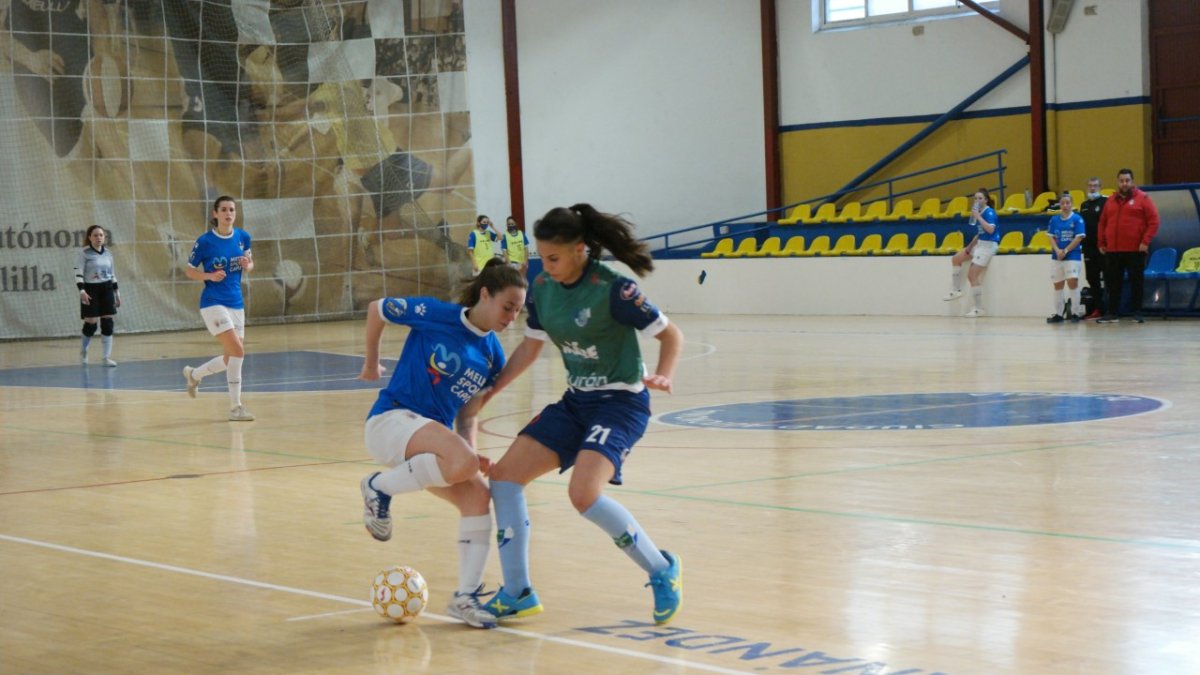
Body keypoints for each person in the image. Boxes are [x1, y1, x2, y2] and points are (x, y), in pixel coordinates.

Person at [479, 203, 684, 626]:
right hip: (576, 402)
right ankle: (517, 591)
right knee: (503, 478)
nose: (546, 265)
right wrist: (489, 391)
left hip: (621, 404)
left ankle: (662, 569)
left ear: (579, 250)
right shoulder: (542, 286)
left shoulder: (614, 289)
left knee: (583, 494)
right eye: (541, 257)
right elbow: (530, 347)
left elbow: (671, 334)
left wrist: (663, 375)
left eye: (553, 257)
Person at [357, 258, 527, 629]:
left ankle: (464, 597)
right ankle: (377, 487)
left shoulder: (492, 354)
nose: (512, 317)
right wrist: (371, 363)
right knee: (465, 467)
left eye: (518, 310)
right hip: (391, 420)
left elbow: (468, 414)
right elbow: (376, 310)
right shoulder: (436, 314)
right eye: (508, 307)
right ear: (485, 294)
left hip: (427, 440)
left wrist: (466, 452)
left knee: (478, 497)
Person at [181, 196, 256, 421]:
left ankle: (194, 374)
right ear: (215, 214)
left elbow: (250, 264)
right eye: (223, 210)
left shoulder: (243, 237)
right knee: (238, 352)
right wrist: (209, 276)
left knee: (230, 357)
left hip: (236, 303)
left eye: (231, 209)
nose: (228, 213)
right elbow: (189, 270)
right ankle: (236, 408)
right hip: (213, 302)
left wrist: (247, 265)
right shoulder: (205, 241)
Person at [1097, 169, 1160, 324]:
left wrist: (1145, 241)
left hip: (1135, 250)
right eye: (1121, 181)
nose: (1124, 183)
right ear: (1118, 182)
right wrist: (1101, 242)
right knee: (1113, 283)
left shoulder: (1143, 198)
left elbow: (1154, 221)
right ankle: (1112, 313)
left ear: (1132, 182)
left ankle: (1137, 312)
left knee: (1136, 282)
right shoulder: (1110, 201)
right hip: (1113, 250)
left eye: (1127, 180)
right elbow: (1102, 223)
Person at [942, 188, 999, 317]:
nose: (977, 201)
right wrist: (969, 247)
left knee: (972, 275)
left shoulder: (989, 213)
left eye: (980, 198)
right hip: (980, 243)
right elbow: (980, 233)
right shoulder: (979, 212)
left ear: (986, 200)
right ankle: (956, 290)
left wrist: (978, 217)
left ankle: (979, 308)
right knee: (956, 259)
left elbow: (990, 230)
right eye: (975, 198)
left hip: (988, 246)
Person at [76, 225, 121, 366]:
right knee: (91, 324)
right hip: (90, 289)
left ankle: (106, 357)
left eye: (101, 235)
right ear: (89, 237)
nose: (99, 237)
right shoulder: (84, 253)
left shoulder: (108, 253)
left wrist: (117, 292)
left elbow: (112, 274)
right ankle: (84, 350)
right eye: (95, 235)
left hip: (106, 288)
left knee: (108, 322)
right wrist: (82, 291)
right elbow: (78, 273)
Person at [1045, 192, 1086, 323]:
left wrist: (1066, 250)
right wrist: (1057, 250)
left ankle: (1075, 313)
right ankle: (1058, 314)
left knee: (1072, 283)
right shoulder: (1054, 220)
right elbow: (1051, 236)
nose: (1065, 205)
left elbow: (1078, 237)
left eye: (1067, 203)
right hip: (1057, 257)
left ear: (1072, 204)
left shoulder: (1077, 219)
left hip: (1072, 256)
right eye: (1062, 203)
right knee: (1058, 285)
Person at [1078, 177, 1108, 319]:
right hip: (1088, 248)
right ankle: (1099, 308)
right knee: (1092, 277)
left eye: (1095, 185)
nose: (1092, 188)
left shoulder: (1105, 202)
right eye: (1090, 185)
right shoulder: (1083, 205)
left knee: (1108, 277)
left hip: (1103, 247)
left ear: (1100, 187)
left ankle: (1111, 308)